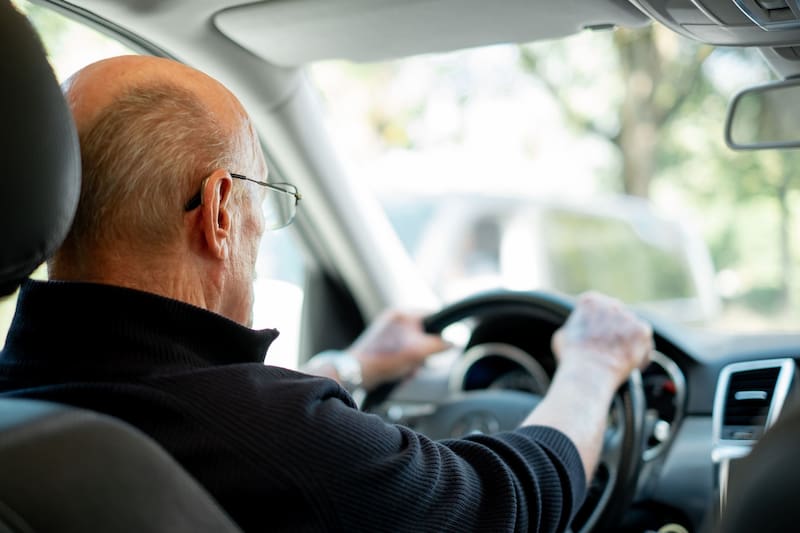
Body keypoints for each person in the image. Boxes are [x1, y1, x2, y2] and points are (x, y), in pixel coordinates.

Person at [0, 54, 653, 532]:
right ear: (221, 211)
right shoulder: (280, 439)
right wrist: (593, 367)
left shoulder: (23, 406)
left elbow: (187, 414)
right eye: (265, 197)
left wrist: (349, 368)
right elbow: (506, 499)